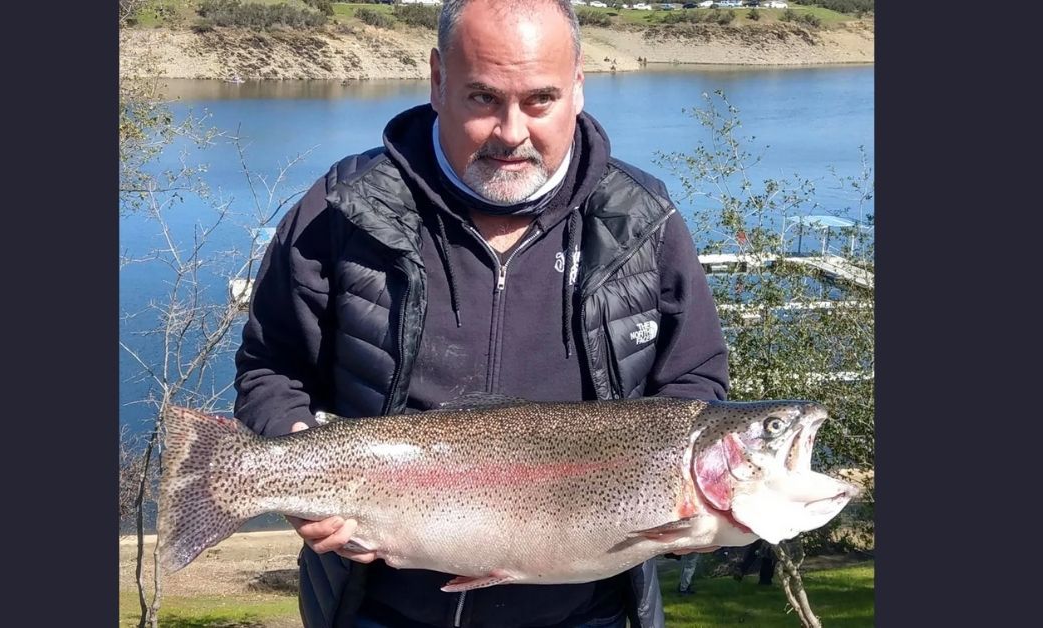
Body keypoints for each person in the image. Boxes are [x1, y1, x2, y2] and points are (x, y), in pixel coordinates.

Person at [231, 1, 730, 626]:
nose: (511, 132)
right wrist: (295, 457)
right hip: (376, 606)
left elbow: (695, 390)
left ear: (579, 86)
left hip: (593, 611)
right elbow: (271, 366)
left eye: (540, 99)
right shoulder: (340, 211)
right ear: (438, 81)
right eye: (483, 98)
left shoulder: (645, 220)